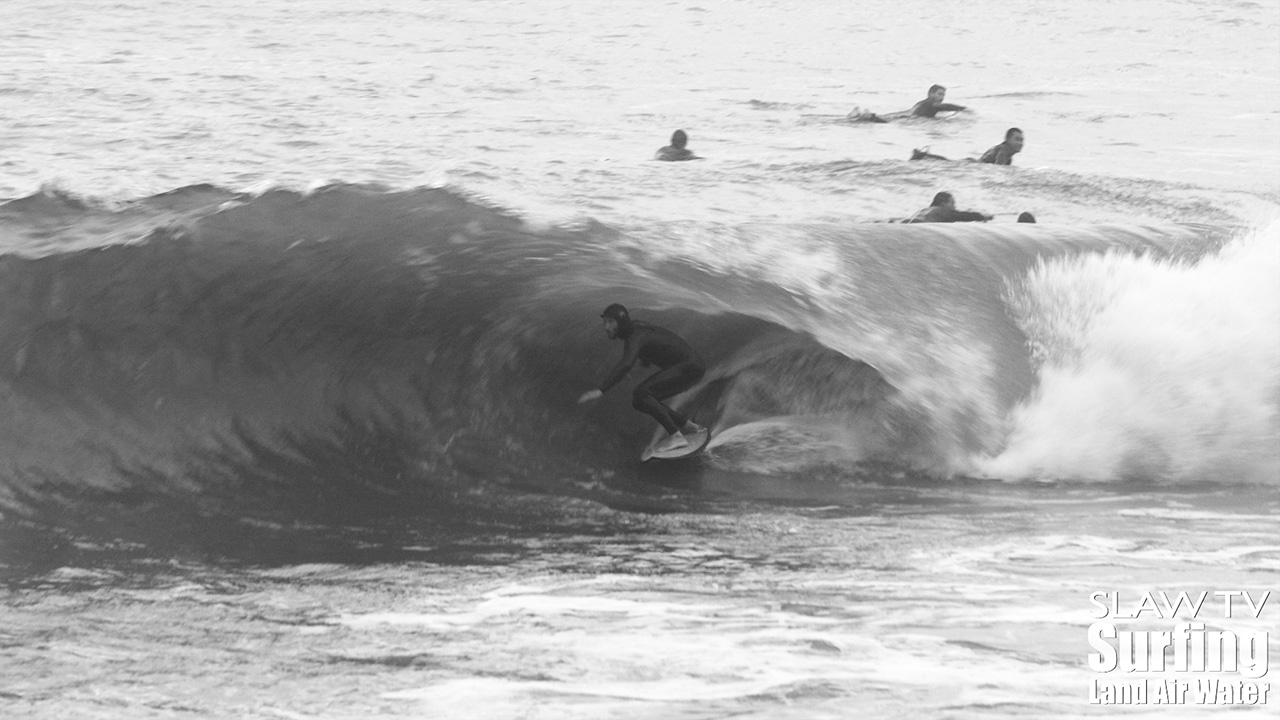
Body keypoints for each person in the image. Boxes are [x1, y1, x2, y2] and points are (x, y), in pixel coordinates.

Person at [577, 303, 706, 453]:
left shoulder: (635, 337)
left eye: (611, 322)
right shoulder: (637, 328)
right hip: (689, 366)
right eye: (605, 322)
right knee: (640, 402)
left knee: (642, 393)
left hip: (689, 367)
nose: (606, 327)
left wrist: (601, 391)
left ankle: (677, 436)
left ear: (622, 322)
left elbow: (625, 364)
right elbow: (653, 343)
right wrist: (644, 361)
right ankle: (687, 426)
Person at [849, 84, 966, 123]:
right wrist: (962, 109)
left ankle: (859, 114)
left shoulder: (923, 102)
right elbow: (944, 107)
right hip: (908, 119)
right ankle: (867, 116)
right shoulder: (931, 103)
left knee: (884, 120)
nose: (942, 98)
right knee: (882, 122)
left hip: (905, 116)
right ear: (931, 94)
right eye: (939, 94)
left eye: (943, 95)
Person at [904, 192, 992, 223]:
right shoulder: (942, 210)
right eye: (952, 203)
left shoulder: (924, 210)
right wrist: (982, 216)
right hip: (921, 225)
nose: (954, 207)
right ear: (943, 203)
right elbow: (963, 216)